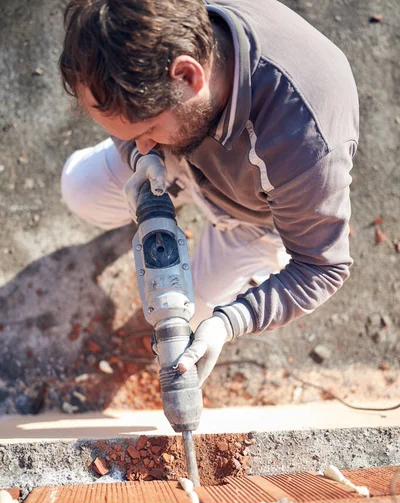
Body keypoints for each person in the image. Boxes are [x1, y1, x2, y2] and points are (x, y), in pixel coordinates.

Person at [60, 0, 358, 386]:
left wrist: (229, 321)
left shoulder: (305, 145)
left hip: (251, 216)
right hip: (182, 161)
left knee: (193, 315)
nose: (142, 144)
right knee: (78, 188)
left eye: (145, 130)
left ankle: (240, 268)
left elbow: (322, 267)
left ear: (187, 76)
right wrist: (139, 156)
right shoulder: (158, 34)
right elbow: (139, 134)